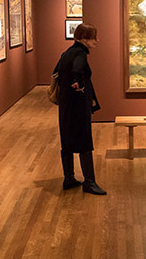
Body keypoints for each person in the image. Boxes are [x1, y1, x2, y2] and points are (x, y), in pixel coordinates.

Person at [54, 23, 106, 195]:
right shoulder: (80, 53)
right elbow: (77, 68)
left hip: (66, 103)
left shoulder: (67, 52)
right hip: (77, 105)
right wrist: (78, 83)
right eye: (94, 37)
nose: (97, 41)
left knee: (66, 139)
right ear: (84, 38)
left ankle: (68, 178)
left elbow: (56, 71)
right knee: (84, 139)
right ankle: (89, 182)